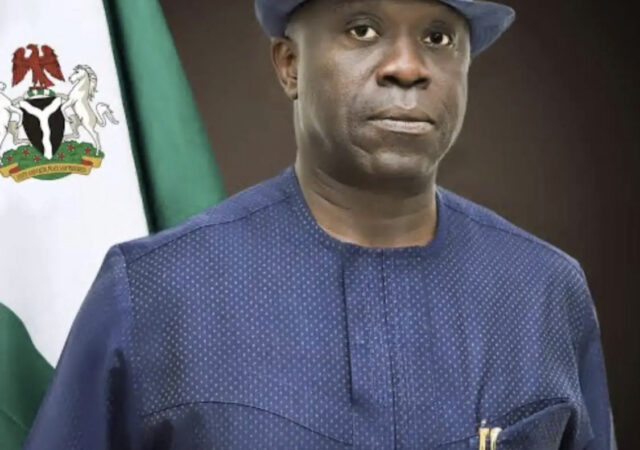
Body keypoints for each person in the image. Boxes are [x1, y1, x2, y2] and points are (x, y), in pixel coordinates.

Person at [24, 0, 616, 448]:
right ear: (289, 65)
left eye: (438, 38)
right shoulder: (152, 290)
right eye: (362, 29)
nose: (408, 67)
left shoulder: (544, 290)